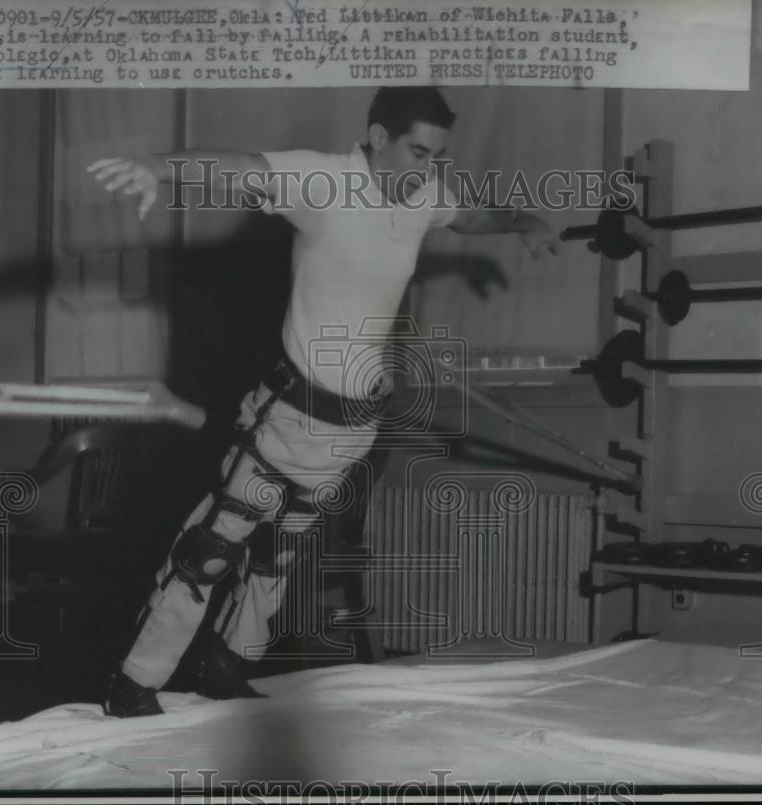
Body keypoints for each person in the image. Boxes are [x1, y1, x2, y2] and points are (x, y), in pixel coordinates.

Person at [88, 87, 559, 718]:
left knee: (279, 556)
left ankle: (226, 668)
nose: (428, 169)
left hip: (353, 428)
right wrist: (156, 165)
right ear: (376, 137)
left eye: (438, 157)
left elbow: (469, 215)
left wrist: (522, 221)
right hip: (286, 419)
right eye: (418, 152)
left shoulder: (421, 195)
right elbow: (241, 167)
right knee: (213, 549)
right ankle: (134, 682)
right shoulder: (326, 181)